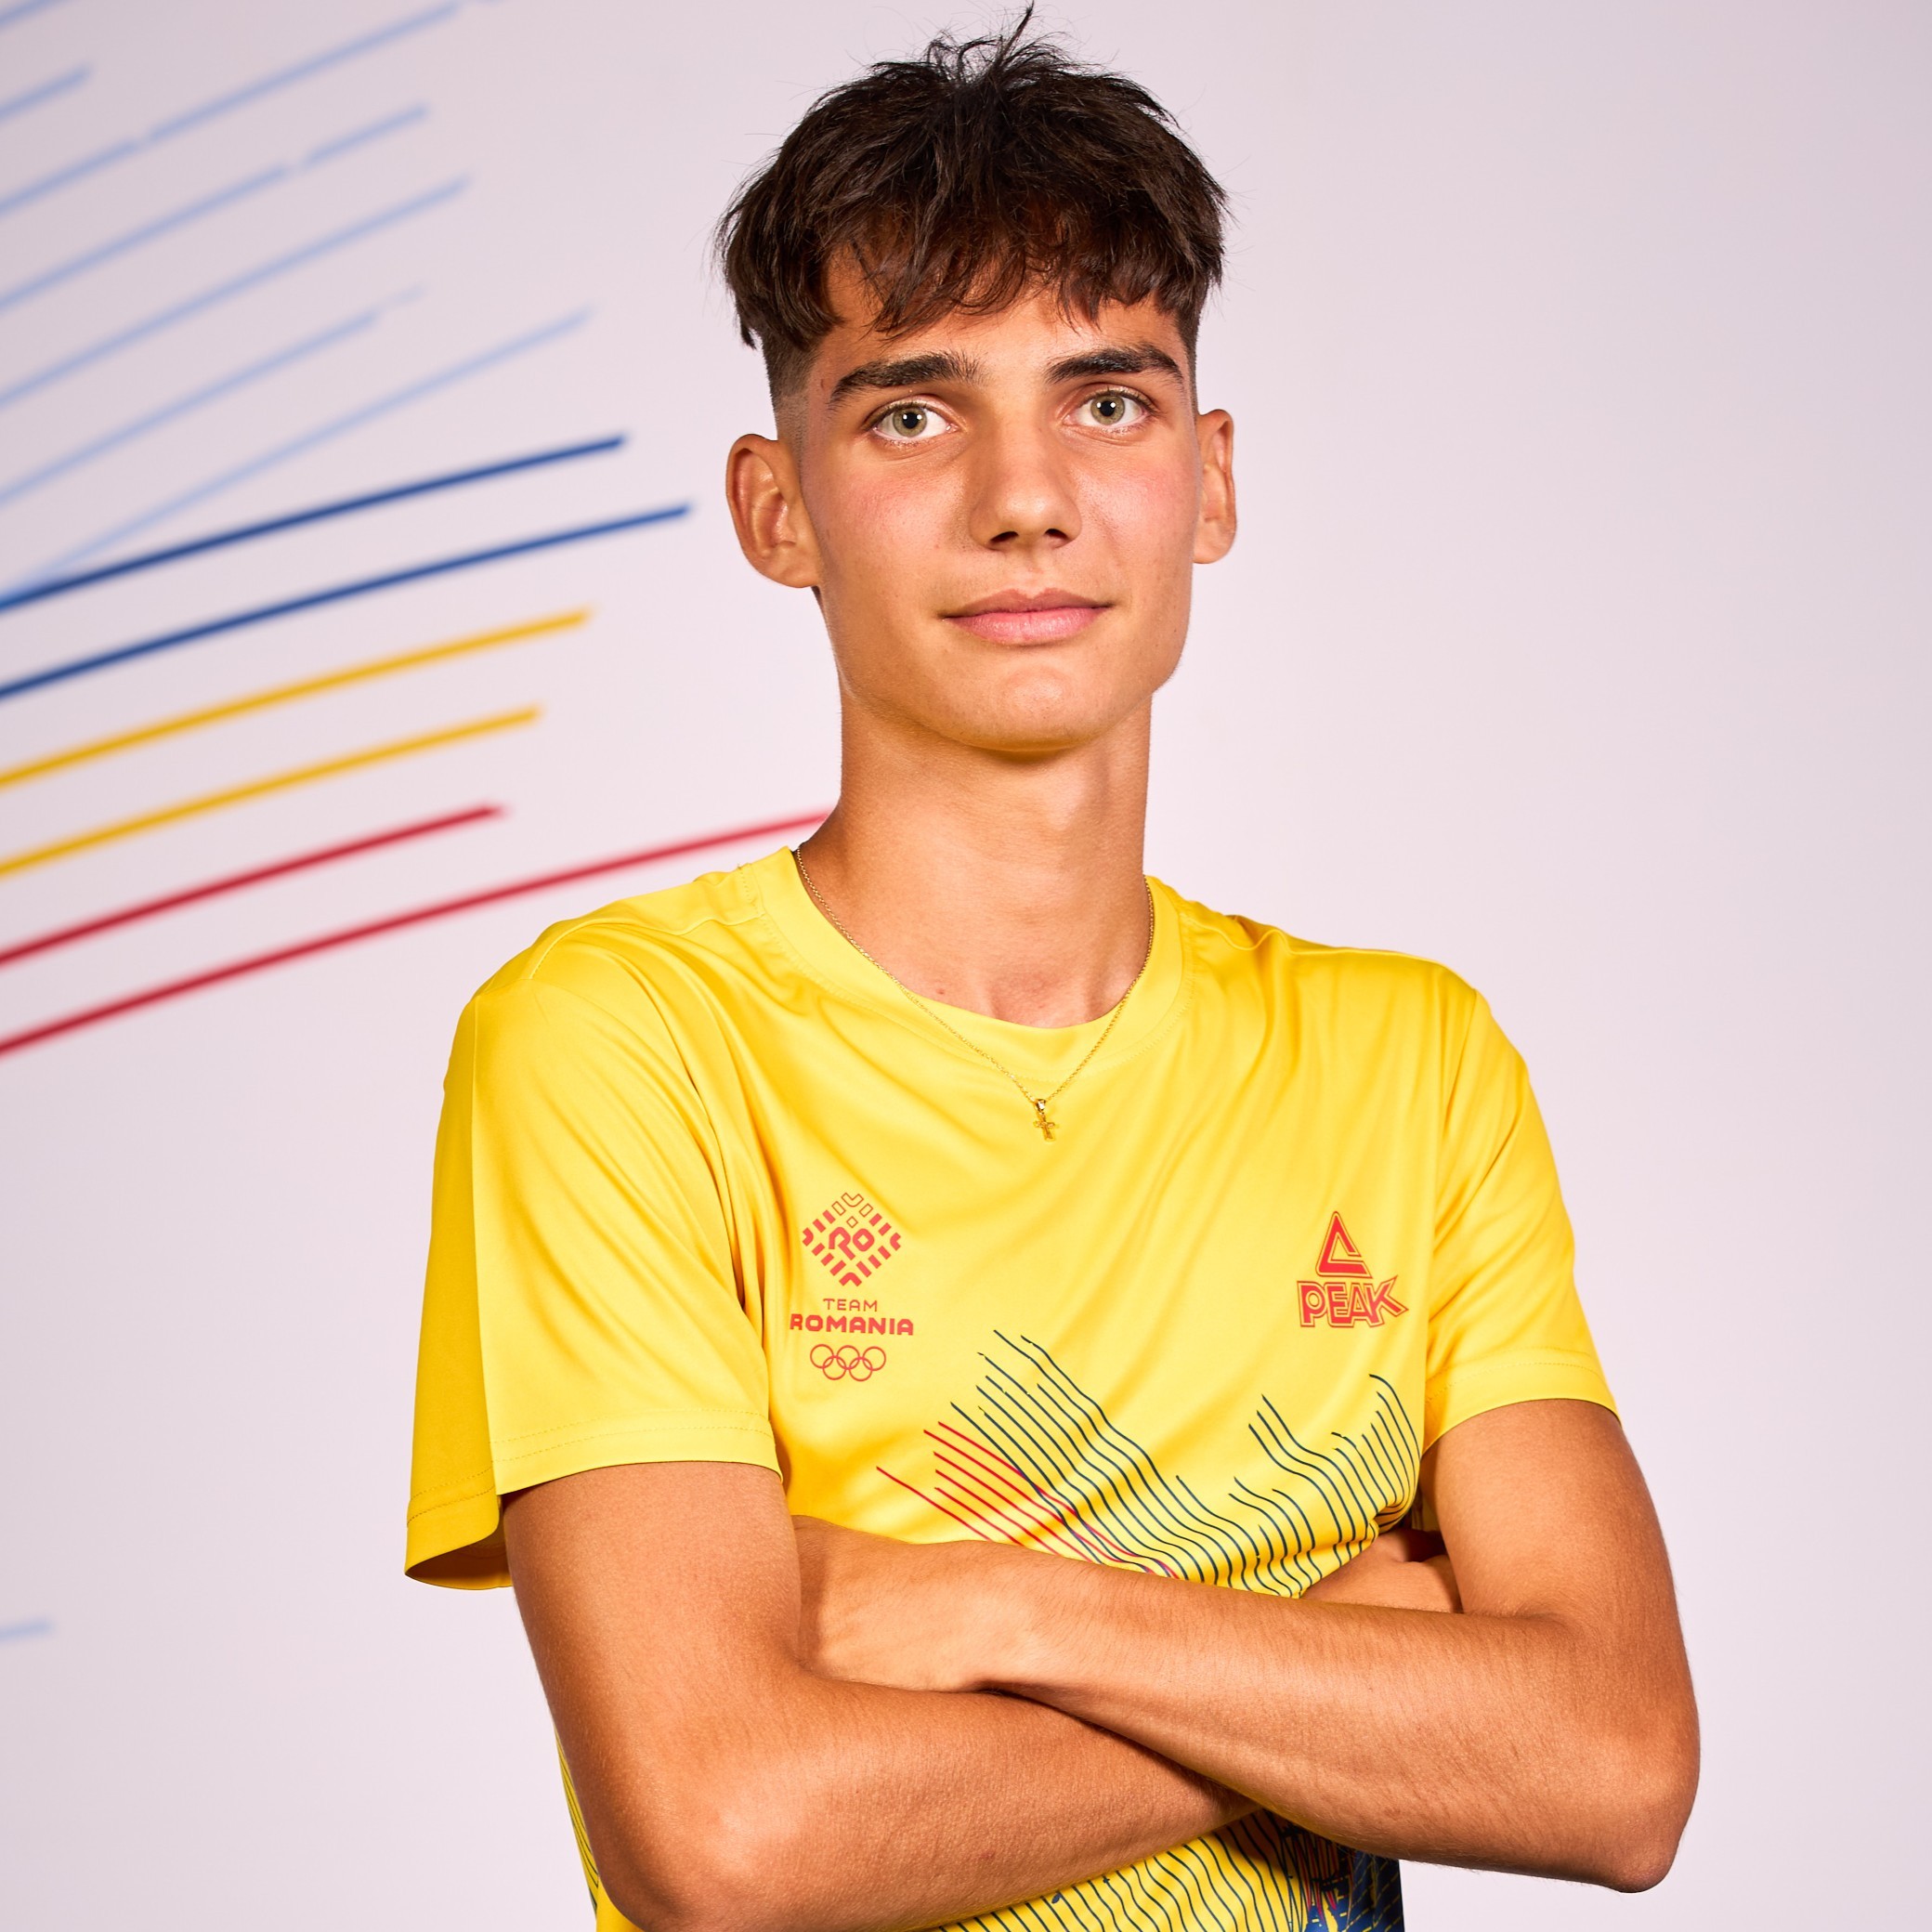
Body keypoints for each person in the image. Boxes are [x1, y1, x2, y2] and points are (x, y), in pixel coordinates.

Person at [405, 20, 1698, 1932]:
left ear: (1209, 478)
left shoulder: (1412, 1061)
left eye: (1106, 400)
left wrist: (1004, 1612)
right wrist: (1358, 1667)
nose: (1027, 497)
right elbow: (726, 1835)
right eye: (912, 416)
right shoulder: (620, 1045)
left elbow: (1615, 1764)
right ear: (778, 507)